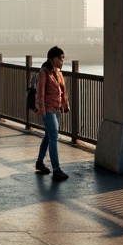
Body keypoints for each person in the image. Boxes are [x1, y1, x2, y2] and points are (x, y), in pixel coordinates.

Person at [34, 46, 70, 180]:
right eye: (60, 58)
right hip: (48, 110)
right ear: (52, 58)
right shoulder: (44, 73)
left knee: (48, 136)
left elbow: (63, 91)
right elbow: (40, 93)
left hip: (56, 109)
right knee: (54, 137)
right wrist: (42, 111)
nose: (62, 61)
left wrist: (65, 106)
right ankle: (56, 169)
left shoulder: (58, 72)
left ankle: (39, 163)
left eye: (63, 59)